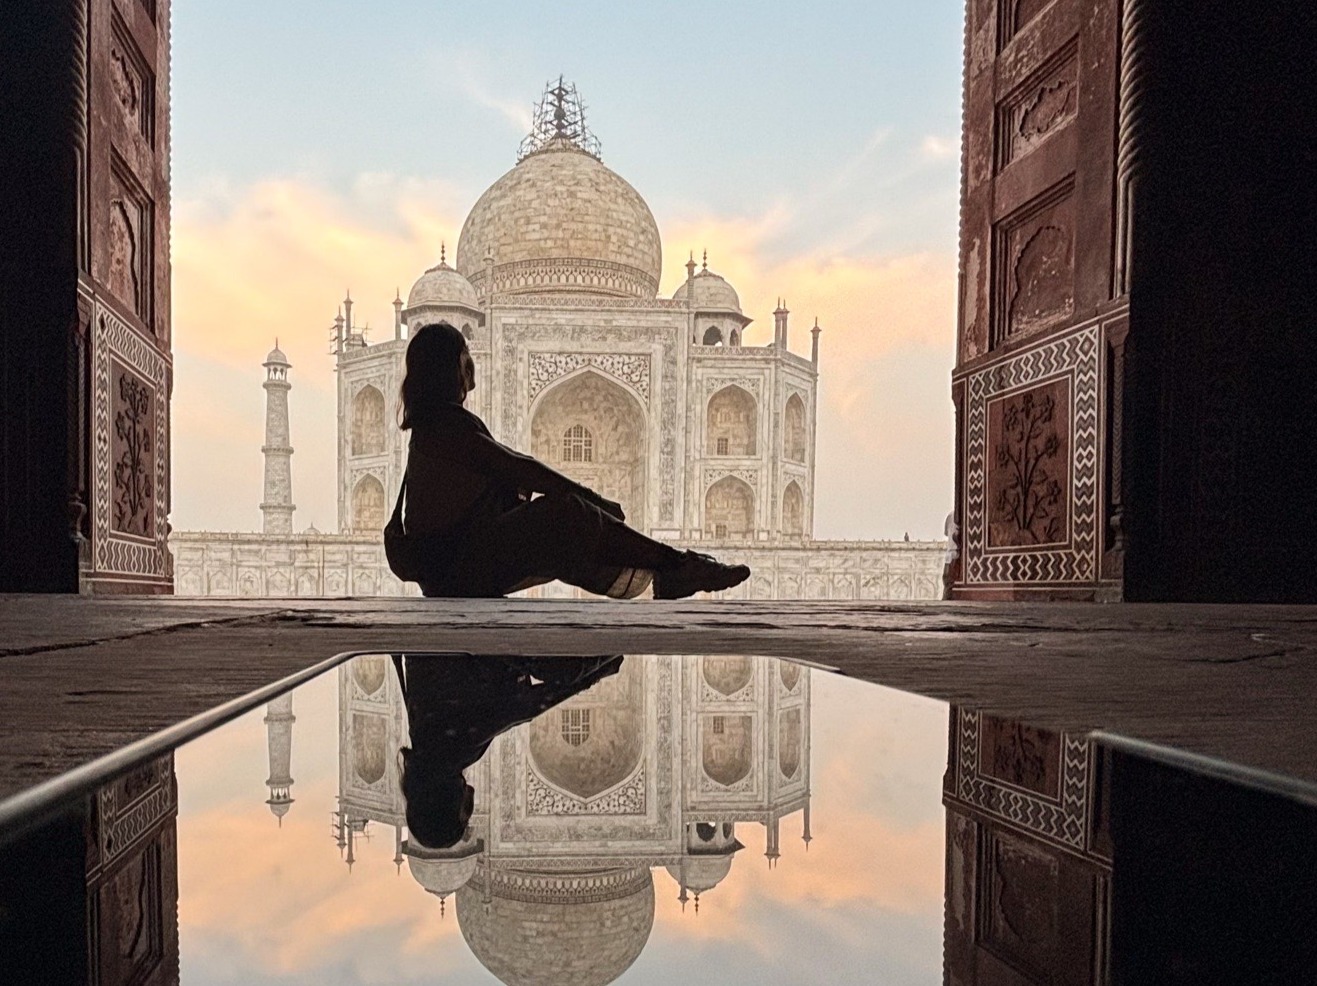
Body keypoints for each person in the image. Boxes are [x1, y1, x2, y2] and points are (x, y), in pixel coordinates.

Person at [394, 321, 750, 599]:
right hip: (456, 571)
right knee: (566, 515)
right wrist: (590, 501)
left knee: (568, 528)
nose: (471, 367)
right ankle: (677, 565)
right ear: (450, 366)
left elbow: (512, 465)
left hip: (451, 571)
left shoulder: (435, 423)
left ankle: (672, 569)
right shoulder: (445, 423)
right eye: (465, 355)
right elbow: (518, 467)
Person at [395, 653, 624, 848]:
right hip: (461, 630)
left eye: (463, 813)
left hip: (475, 628)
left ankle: (622, 636)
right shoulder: (425, 747)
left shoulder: (451, 751)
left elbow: (523, 709)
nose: (470, 798)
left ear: (445, 803)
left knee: (569, 671)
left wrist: (595, 673)